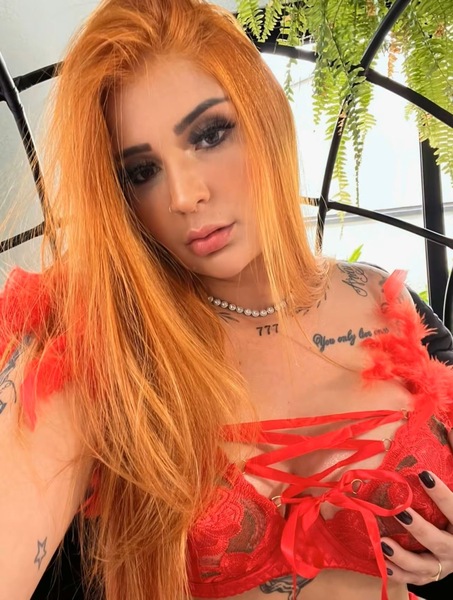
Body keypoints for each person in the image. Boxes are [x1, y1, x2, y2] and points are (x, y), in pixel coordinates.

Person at [1, 1, 453, 599]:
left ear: (266, 117)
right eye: (141, 172)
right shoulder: (99, 340)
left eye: (209, 134)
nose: (184, 195)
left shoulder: (385, 299)